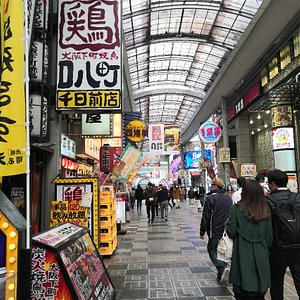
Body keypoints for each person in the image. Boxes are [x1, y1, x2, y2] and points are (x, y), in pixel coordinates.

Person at [225, 180, 273, 299]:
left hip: (241, 253)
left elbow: (230, 232)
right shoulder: (265, 209)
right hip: (261, 253)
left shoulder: (236, 208)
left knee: (242, 291)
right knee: (259, 291)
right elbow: (269, 237)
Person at [266, 169, 300, 299]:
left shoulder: (268, 200)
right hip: (298, 247)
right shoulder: (297, 198)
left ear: (273, 184)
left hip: (277, 249)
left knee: (276, 283)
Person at [200, 177, 232, 282]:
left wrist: (202, 231)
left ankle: (222, 268)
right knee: (222, 251)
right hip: (226, 230)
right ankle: (221, 275)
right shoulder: (228, 198)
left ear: (214, 186)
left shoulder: (210, 199)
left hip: (214, 230)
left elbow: (206, 217)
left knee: (211, 250)